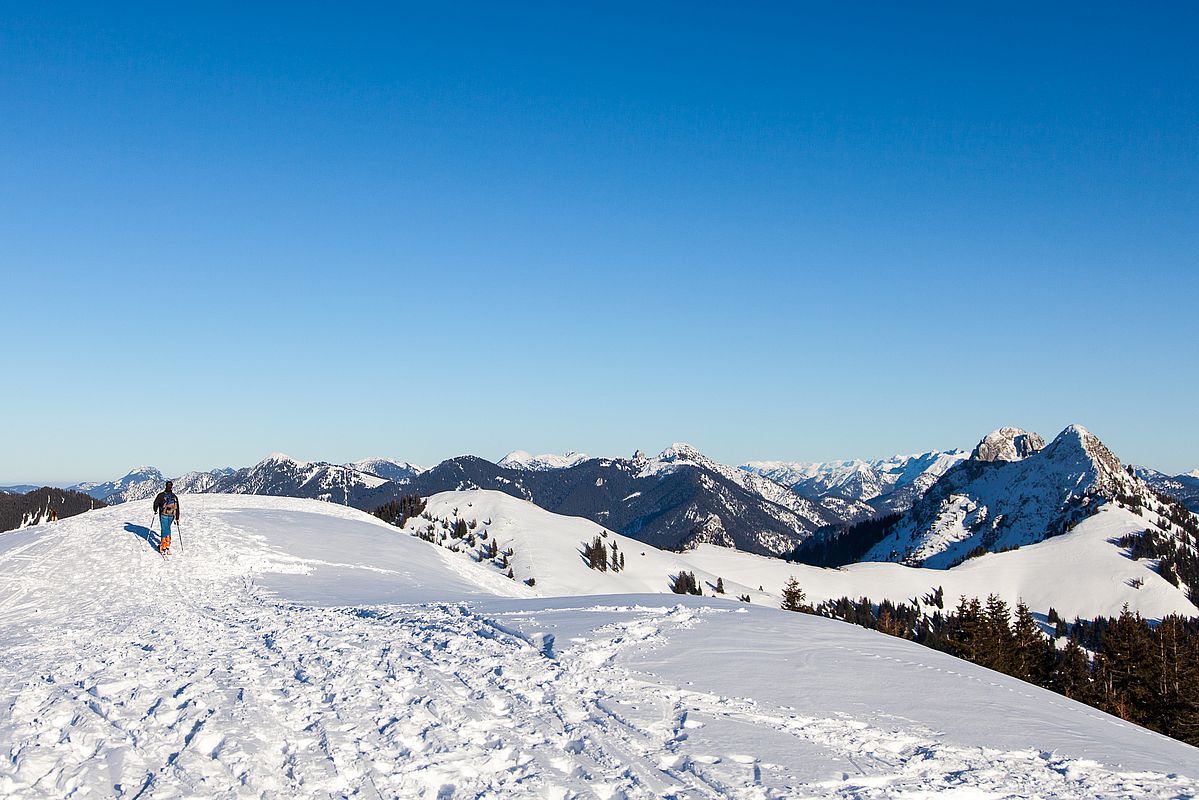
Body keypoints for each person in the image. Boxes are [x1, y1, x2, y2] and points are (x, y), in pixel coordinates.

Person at [152, 481, 180, 554]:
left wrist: (155, 510)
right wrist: (177, 517)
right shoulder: (174, 496)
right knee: (168, 528)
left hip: (163, 514)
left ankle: (163, 546)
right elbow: (177, 508)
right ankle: (168, 545)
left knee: (164, 529)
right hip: (172, 515)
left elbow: (155, 503)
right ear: (171, 487)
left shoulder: (161, 495)